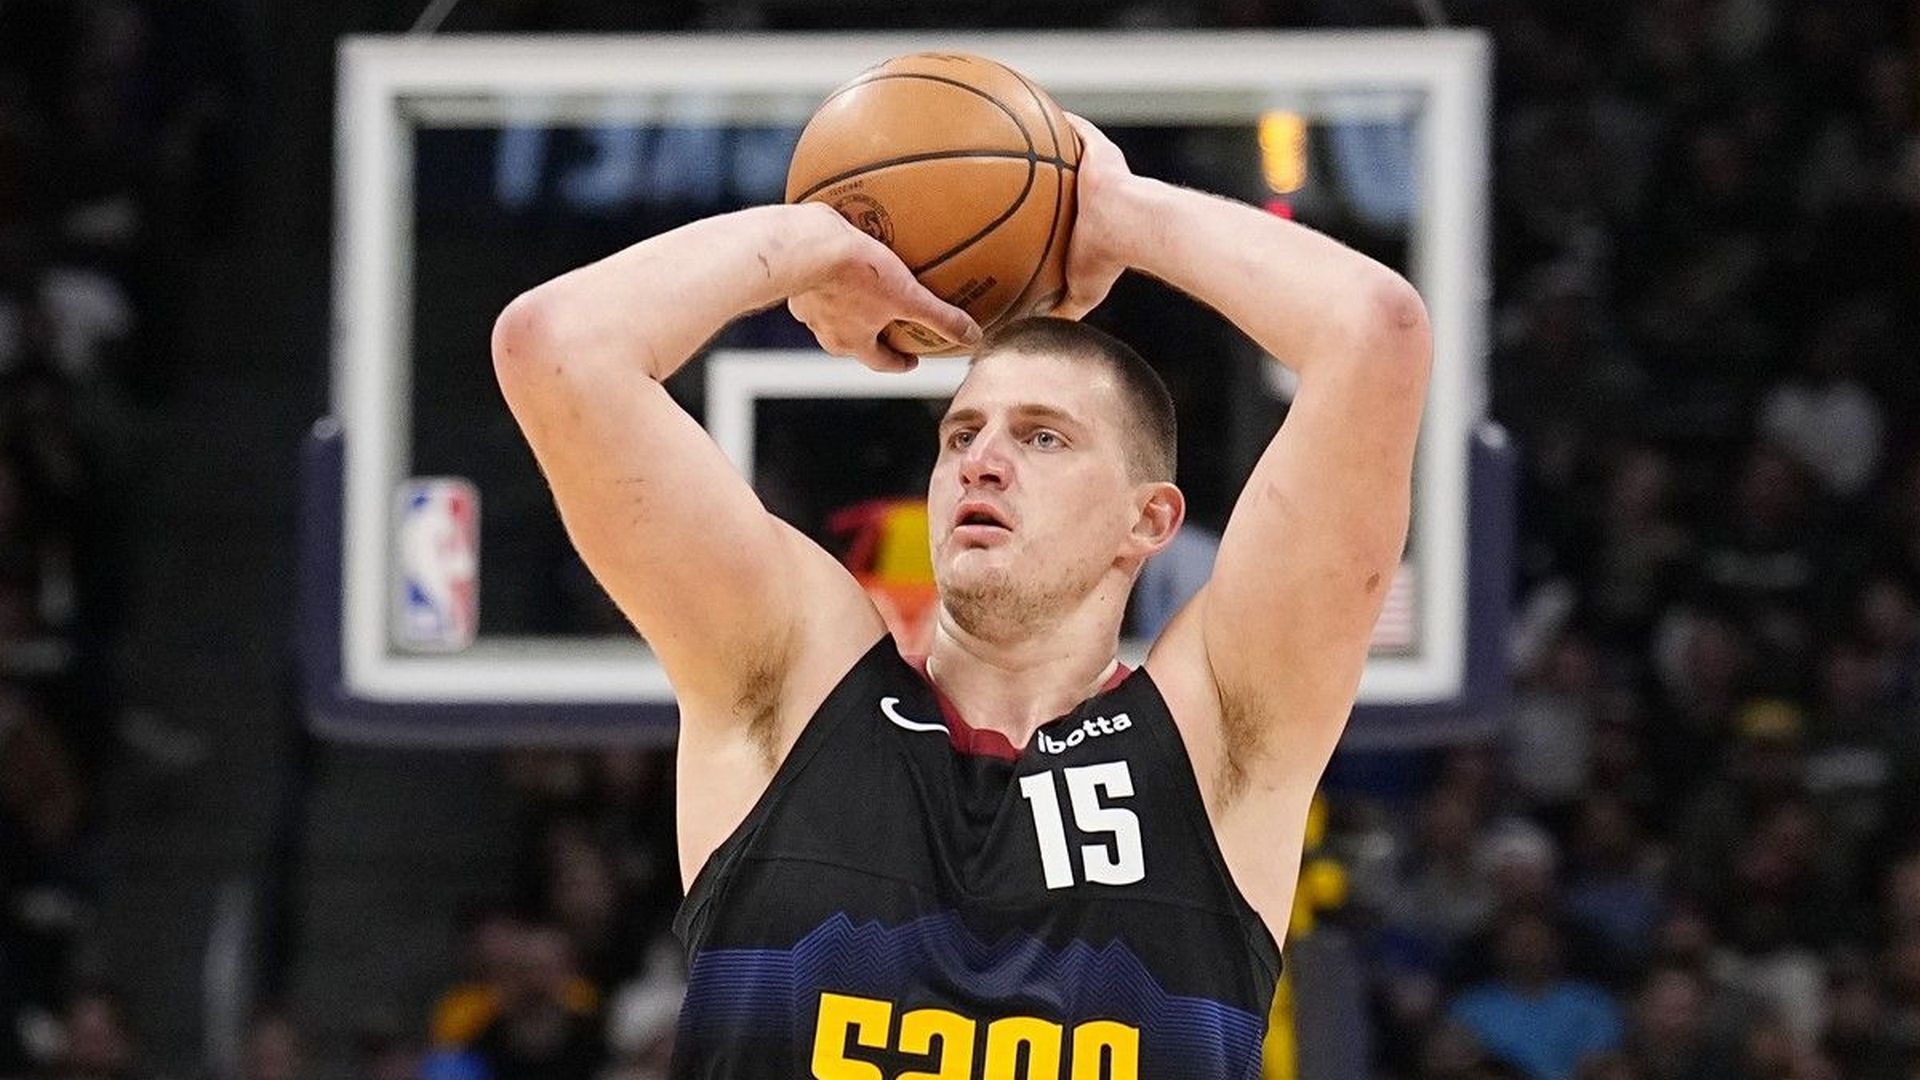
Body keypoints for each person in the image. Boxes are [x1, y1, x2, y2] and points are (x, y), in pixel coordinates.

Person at [492, 114, 1430, 1078]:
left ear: (1148, 520)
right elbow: (557, 346)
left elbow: (1375, 333)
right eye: (961, 435)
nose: (983, 461)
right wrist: (821, 241)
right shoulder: (791, 686)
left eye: (1042, 437)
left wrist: (1119, 213)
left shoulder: (1217, 735)